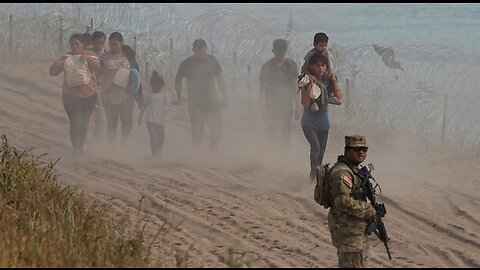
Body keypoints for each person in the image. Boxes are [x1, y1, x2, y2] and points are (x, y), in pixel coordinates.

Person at [326, 135, 376, 268]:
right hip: (348, 230)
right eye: (357, 149)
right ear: (347, 150)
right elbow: (342, 201)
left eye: (364, 149)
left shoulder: (354, 171)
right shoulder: (342, 173)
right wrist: (368, 209)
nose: (361, 152)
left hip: (354, 229)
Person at [48, 33, 100, 158]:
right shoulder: (67, 57)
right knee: (75, 122)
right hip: (70, 96)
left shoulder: (90, 55)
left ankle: (80, 147)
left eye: (77, 43)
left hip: (89, 96)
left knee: (84, 122)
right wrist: (60, 64)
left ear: (83, 45)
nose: (74, 46)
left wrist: (86, 59)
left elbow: (98, 67)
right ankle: (76, 148)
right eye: (72, 44)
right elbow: (52, 72)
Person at [173, 39, 228, 150]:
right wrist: (179, 95)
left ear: (206, 49)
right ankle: (197, 156)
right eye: (198, 53)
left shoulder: (213, 61)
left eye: (203, 52)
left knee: (217, 128)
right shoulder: (186, 63)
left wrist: (225, 97)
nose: (201, 55)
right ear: (193, 50)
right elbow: (178, 80)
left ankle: (213, 152)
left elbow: (220, 80)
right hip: (195, 102)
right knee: (198, 129)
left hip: (212, 100)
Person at [299, 52, 342, 182]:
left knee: (321, 153)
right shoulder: (305, 81)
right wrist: (310, 86)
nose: (321, 69)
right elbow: (305, 103)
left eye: (323, 66)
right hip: (309, 122)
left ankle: (318, 175)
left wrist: (334, 81)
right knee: (315, 148)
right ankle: (313, 176)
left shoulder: (328, 81)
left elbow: (339, 99)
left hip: (323, 122)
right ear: (311, 67)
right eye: (317, 66)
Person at [99, 32, 141, 145]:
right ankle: (111, 146)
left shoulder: (129, 56)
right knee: (111, 122)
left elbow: (136, 75)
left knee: (127, 122)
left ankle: (123, 143)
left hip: (126, 95)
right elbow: (98, 73)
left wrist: (139, 95)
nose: (112, 47)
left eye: (115, 44)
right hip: (108, 94)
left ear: (121, 43)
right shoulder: (104, 57)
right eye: (111, 44)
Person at [259, 39, 301, 148]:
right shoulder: (267, 67)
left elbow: (294, 86)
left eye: (282, 52)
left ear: (285, 51)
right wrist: (263, 109)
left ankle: (284, 157)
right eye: (278, 52)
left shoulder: (291, 65)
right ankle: (272, 155)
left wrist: (298, 106)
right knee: (272, 132)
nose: (280, 55)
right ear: (273, 51)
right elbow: (262, 89)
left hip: (287, 104)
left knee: (286, 133)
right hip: (271, 104)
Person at [138, 71, 171, 156]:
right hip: (150, 120)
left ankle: (159, 150)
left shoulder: (164, 94)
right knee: (153, 137)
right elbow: (144, 106)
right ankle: (154, 153)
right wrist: (140, 117)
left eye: (158, 88)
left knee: (161, 137)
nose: (156, 89)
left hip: (161, 120)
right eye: (155, 87)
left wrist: (179, 101)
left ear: (161, 86)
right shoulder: (148, 94)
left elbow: (170, 103)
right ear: (152, 86)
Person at [86, 31, 107, 144]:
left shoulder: (106, 56)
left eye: (102, 43)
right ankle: (87, 144)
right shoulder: (88, 54)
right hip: (89, 90)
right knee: (90, 120)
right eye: (98, 43)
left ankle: (98, 144)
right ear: (93, 42)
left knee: (101, 121)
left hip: (100, 91)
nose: (100, 45)